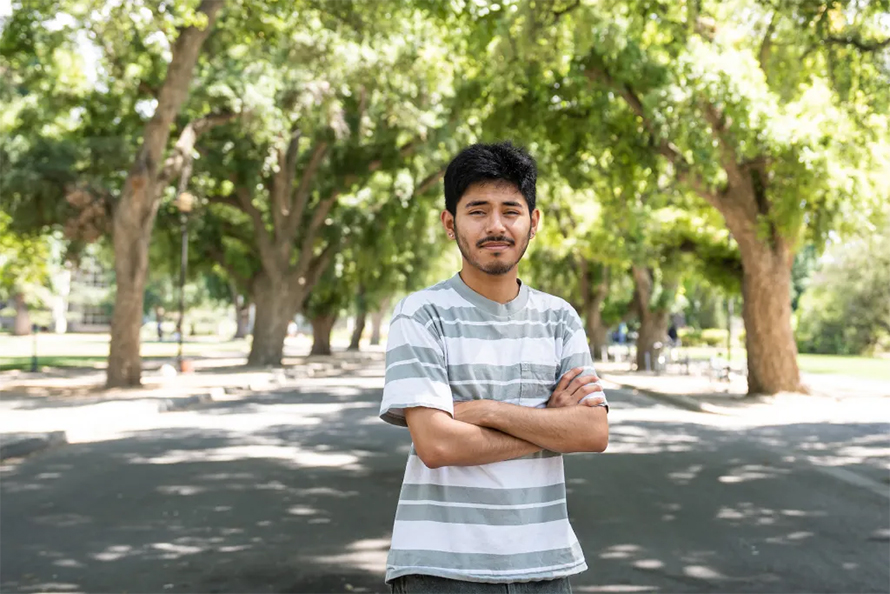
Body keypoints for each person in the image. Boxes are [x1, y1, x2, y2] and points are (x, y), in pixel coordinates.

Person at [379, 141, 610, 593]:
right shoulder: (421, 314)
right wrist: (549, 425)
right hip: (441, 571)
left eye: (511, 210)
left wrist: (482, 410)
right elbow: (438, 445)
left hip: (546, 567)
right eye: (478, 211)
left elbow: (592, 433)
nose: (496, 226)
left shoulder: (559, 318)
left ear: (534, 222)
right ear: (450, 223)